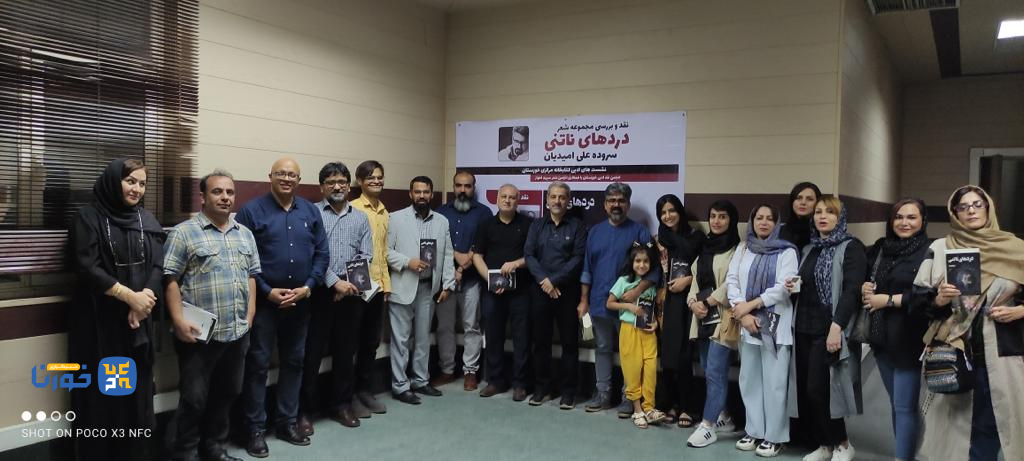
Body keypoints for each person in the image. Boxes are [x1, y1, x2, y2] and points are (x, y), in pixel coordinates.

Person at [913, 185, 1024, 461]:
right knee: (954, 424)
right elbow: (916, 301)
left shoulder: (1015, 248)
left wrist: (1020, 311)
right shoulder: (940, 248)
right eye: (963, 207)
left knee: (994, 421)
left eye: (977, 205)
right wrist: (938, 299)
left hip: (1001, 351)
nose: (971, 211)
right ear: (955, 213)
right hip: (955, 349)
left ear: (988, 208)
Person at [68, 159, 164, 460]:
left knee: (136, 398)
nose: (137, 189)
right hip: (100, 326)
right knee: (101, 400)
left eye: (142, 183)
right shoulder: (88, 218)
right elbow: (87, 266)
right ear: (113, 181)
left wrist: (144, 299)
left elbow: (159, 265)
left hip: (137, 325)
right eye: (130, 181)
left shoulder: (146, 220)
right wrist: (129, 297)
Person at [164, 170, 259, 461]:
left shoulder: (245, 234)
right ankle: (185, 453)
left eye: (230, 192)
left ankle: (214, 447)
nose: (225, 197)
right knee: (194, 399)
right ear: (203, 197)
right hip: (198, 335)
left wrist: (250, 313)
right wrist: (178, 321)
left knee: (227, 393)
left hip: (236, 332)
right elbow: (170, 280)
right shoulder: (184, 233)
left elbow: (252, 276)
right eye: (217, 191)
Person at [236, 158, 329, 457]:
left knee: (294, 363)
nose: (287, 178)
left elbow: (322, 254)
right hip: (265, 304)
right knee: (258, 365)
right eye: (281, 173)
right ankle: (254, 429)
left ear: (299, 180)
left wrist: (308, 287)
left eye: (292, 174)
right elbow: (242, 258)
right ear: (270, 176)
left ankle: (287, 422)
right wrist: (267, 291)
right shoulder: (251, 211)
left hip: (300, 303)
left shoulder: (310, 211)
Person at [298, 162, 375, 431]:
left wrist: (348, 285)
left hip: (351, 293)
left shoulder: (360, 218)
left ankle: (341, 405)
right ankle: (303, 411)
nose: (337, 186)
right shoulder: (311, 214)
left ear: (349, 186)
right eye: (331, 182)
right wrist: (334, 283)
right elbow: (310, 254)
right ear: (322, 187)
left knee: (345, 353)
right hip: (318, 293)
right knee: (311, 355)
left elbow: (366, 255)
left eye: (342, 181)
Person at [788, 196, 867, 461]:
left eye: (830, 212)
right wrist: (792, 286)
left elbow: (852, 290)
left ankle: (843, 443)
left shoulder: (851, 247)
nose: (822, 216)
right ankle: (825, 445)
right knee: (807, 391)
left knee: (821, 390)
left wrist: (837, 327)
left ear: (840, 217)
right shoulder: (809, 249)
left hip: (829, 328)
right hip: (803, 327)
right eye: (818, 212)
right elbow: (804, 284)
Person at [721, 204, 798, 457]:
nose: (763, 222)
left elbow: (784, 288)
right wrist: (742, 314)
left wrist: (751, 306)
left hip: (775, 326)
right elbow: (732, 281)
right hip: (747, 325)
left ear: (777, 223)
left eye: (769, 219)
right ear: (752, 221)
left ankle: (775, 437)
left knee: (775, 384)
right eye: (759, 218)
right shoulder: (744, 248)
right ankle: (754, 431)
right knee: (749, 381)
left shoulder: (787, 251)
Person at [578, 182, 660, 415]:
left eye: (621, 201)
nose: (616, 204)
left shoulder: (639, 232)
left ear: (628, 205)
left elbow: (654, 270)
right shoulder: (594, 232)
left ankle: (629, 397)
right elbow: (587, 269)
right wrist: (584, 300)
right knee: (602, 347)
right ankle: (603, 393)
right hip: (599, 303)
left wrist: (636, 292)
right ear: (605, 205)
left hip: (630, 308)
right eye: (612, 201)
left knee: (630, 353)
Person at [859, 198, 931, 461]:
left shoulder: (929, 251)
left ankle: (904, 456)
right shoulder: (882, 248)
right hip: (881, 338)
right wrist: (865, 287)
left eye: (911, 217)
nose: (904, 222)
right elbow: (869, 278)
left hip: (909, 339)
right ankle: (906, 451)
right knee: (897, 403)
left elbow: (929, 297)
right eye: (899, 217)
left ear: (923, 220)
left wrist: (888, 300)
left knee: (904, 405)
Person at [386, 176, 455, 405]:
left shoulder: (442, 221)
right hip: (403, 286)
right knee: (401, 340)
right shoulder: (395, 218)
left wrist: (448, 284)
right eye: (417, 192)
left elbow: (447, 254)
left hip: (428, 288)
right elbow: (385, 252)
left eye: (426, 192)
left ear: (431, 194)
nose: (422, 196)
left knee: (423, 338)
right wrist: (408, 262)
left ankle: (420, 380)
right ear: (410, 194)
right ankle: (400, 386)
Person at [684, 200, 742, 446]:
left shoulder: (739, 250)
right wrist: (692, 303)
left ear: (732, 220)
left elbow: (733, 282)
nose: (717, 221)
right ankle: (723, 416)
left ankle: (707, 426)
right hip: (703, 319)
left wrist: (708, 302)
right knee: (709, 371)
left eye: (723, 216)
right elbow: (695, 279)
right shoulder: (705, 247)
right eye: (713, 216)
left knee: (716, 372)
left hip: (724, 319)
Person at [525, 182, 587, 409]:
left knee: (570, 343)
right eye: (553, 197)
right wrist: (545, 281)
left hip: (567, 292)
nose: (557, 201)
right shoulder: (537, 225)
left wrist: (555, 281)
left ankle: (568, 392)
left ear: (568, 201)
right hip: (541, 290)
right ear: (547, 200)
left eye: (562, 197)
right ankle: (542, 388)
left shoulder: (577, 226)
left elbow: (578, 258)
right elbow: (529, 255)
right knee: (541, 342)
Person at [473, 184, 533, 400]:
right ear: (497, 199)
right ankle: (495, 381)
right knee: (493, 336)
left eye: (512, 197)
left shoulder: (528, 225)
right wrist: (491, 280)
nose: (507, 200)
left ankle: (520, 384)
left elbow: (533, 256)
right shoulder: (485, 224)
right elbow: (477, 256)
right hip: (492, 292)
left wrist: (517, 263)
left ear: (518, 200)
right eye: (504, 197)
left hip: (521, 292)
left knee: (522, 338)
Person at [434, 171, 491, 391]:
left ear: (473, 188)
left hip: (472, 280)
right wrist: (455, 257)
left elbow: (483, 244)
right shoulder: (441, 212)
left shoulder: (484, 213)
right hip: (445, 282)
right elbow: (436, 242)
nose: (463, 190)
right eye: (459, 185)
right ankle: (447, 370)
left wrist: (462, 265)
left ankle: (470, 372)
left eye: (467, 186)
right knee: (445, 326)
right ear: (453, 186)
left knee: (472, 326)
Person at [652, 194, 704, 427]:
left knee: (684, 355)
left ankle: (687, 407)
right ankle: (669, 404)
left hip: (689, 300)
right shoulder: (658, 240)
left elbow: (706, 268)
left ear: (680, 212)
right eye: (663, 212)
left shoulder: (696, 238)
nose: (668, 216)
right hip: (664, 303)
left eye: (671, 210)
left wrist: (688, 280)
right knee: (667, 355)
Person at [606, 243, 667, 428]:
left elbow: (656, 308)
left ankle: (649, 408)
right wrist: (629, 306)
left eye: (646, 261)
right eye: (638, 261)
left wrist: (656, 323)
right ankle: (637, 410)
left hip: (648, 331)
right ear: (632, 263)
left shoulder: (652, 284)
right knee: (632, 370)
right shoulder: (624, 281)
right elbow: (610, 303)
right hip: (629, 330)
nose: (641, 265)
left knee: (650, 370)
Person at [348, 160, 390, 416]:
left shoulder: (384, 211)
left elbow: (382, 253)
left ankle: (364, 390)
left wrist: (386, 285)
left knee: (370, 343)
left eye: (379, 177)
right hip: (356, 288)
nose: (376, 181)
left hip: (377, 288)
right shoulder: (352, 209)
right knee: (350, 344)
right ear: (360, 181)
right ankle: (349, 394)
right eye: (371, 177)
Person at [779, 182, 822, 250]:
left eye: (809, 199)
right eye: (798, 198)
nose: (803, 203)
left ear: (818, 203)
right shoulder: (779, 232)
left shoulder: (823, 231)